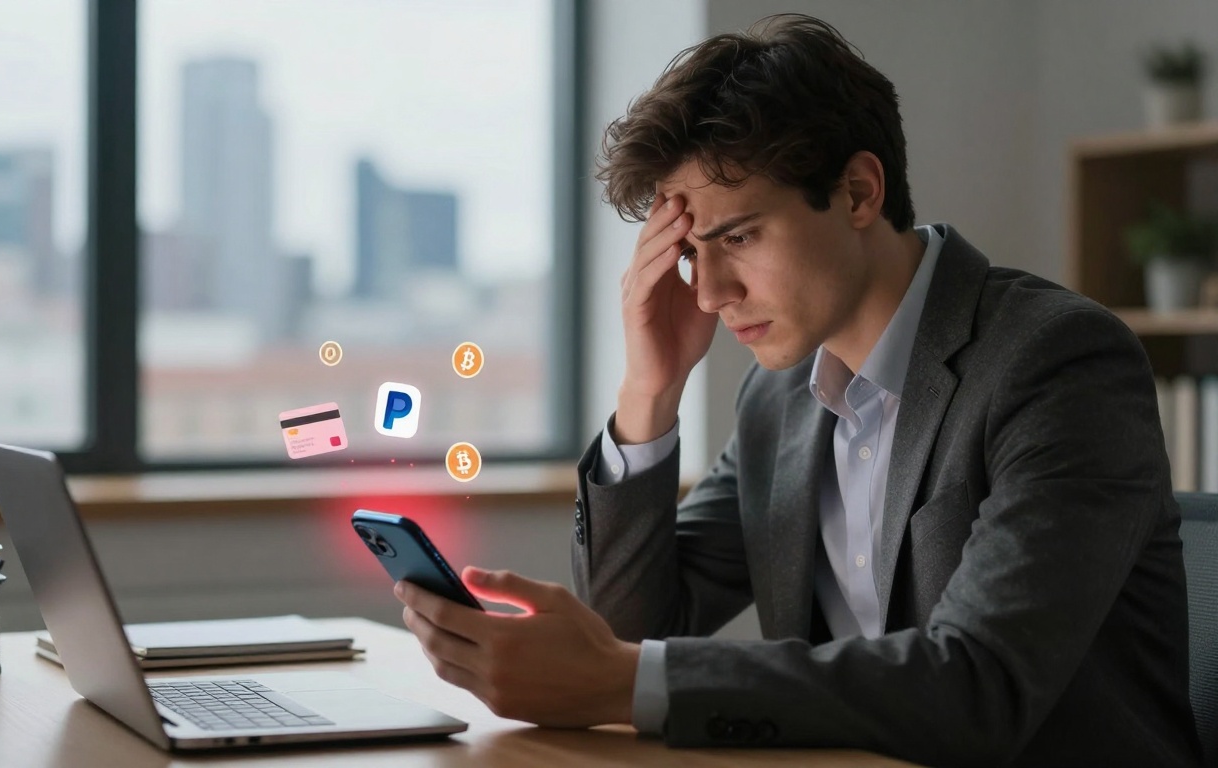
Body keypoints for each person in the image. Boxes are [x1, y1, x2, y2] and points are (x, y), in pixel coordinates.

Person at [394, 14, 1202, 766]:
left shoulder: (1058, 362)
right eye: (688, 255)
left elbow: (978, 685)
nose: (708, 293)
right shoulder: (778, 402)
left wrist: (618, 680)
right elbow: (632, 629)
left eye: (737, 237)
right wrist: (651, 389)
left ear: (858, 192)